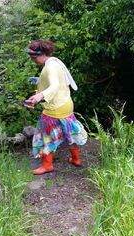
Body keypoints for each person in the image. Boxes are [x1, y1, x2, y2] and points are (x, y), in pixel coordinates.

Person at [25, 39, 87, 175]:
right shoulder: (54, 62)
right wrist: (37, 96)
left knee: (45, 135)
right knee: (69, 132)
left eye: (34, 57)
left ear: (42, 54)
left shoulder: (50, 67)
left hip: (54, 109)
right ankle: (76, 159)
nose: (33, 60)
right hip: (66, 105)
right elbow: (54, 84)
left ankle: (47, 165)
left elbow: (54, 86)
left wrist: (40, 96)